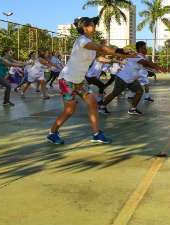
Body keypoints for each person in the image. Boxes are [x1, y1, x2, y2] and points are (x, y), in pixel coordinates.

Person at [46, 17, 133, 145]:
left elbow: (101, 55)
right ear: (85, 27)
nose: (94, 27)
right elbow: (102, 48)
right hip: (67, 80)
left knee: (92, 102)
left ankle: (96, 134)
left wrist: (122, 55)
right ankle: (52, 133)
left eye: (94, 25)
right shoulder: (82, 41)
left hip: (80, 81)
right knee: (69, 110)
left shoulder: (90, 43)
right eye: (92, 25)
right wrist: (120, 51)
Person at [98, 41, 163, 116]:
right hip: (123, 79)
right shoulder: (136, 56)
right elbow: (146, 63)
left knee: (139, 91)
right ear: (140, 49)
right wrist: (159, 67)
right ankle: (102, 107)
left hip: (132, 80)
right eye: (144, 48)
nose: (146, 50)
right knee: (114, 94)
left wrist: (155, 69)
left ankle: (133, 109)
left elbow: (145, 65)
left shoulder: (141, 56)